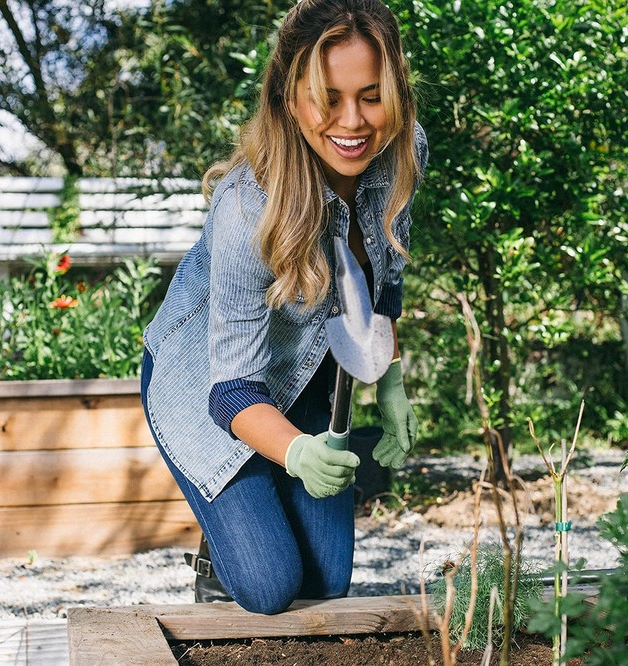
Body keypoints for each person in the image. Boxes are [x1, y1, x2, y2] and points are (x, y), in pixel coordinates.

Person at [140, 0, 427, 615]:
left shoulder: (404, 151)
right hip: (210, 381)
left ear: (396, 91)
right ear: (289, 99)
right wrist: (296, 452)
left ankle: (262, 497)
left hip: (306, 371)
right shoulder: (250, 208)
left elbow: (385, 283)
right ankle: (223, 543)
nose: (353, 121)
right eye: (329, 98)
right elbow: (231, 391)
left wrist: (393, 378)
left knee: (325, 584)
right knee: (270, 587)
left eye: (372, 96)